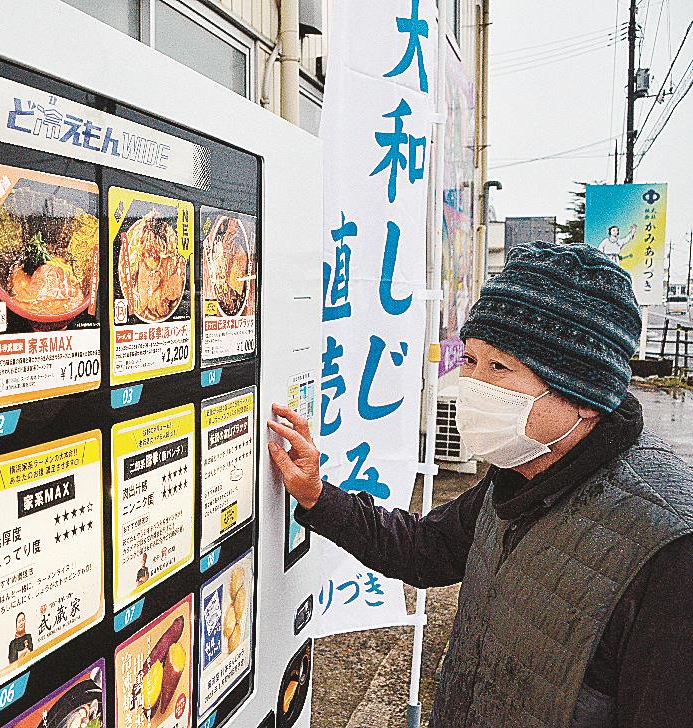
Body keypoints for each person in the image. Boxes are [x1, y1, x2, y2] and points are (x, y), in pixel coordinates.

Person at [268, 241, 693, 727]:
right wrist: (318, 497)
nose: (473, 386)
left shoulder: (669, 548)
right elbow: (424, 548)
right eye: (470, 361)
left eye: (500, 368)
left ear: (586, 398)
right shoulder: (521, 471)